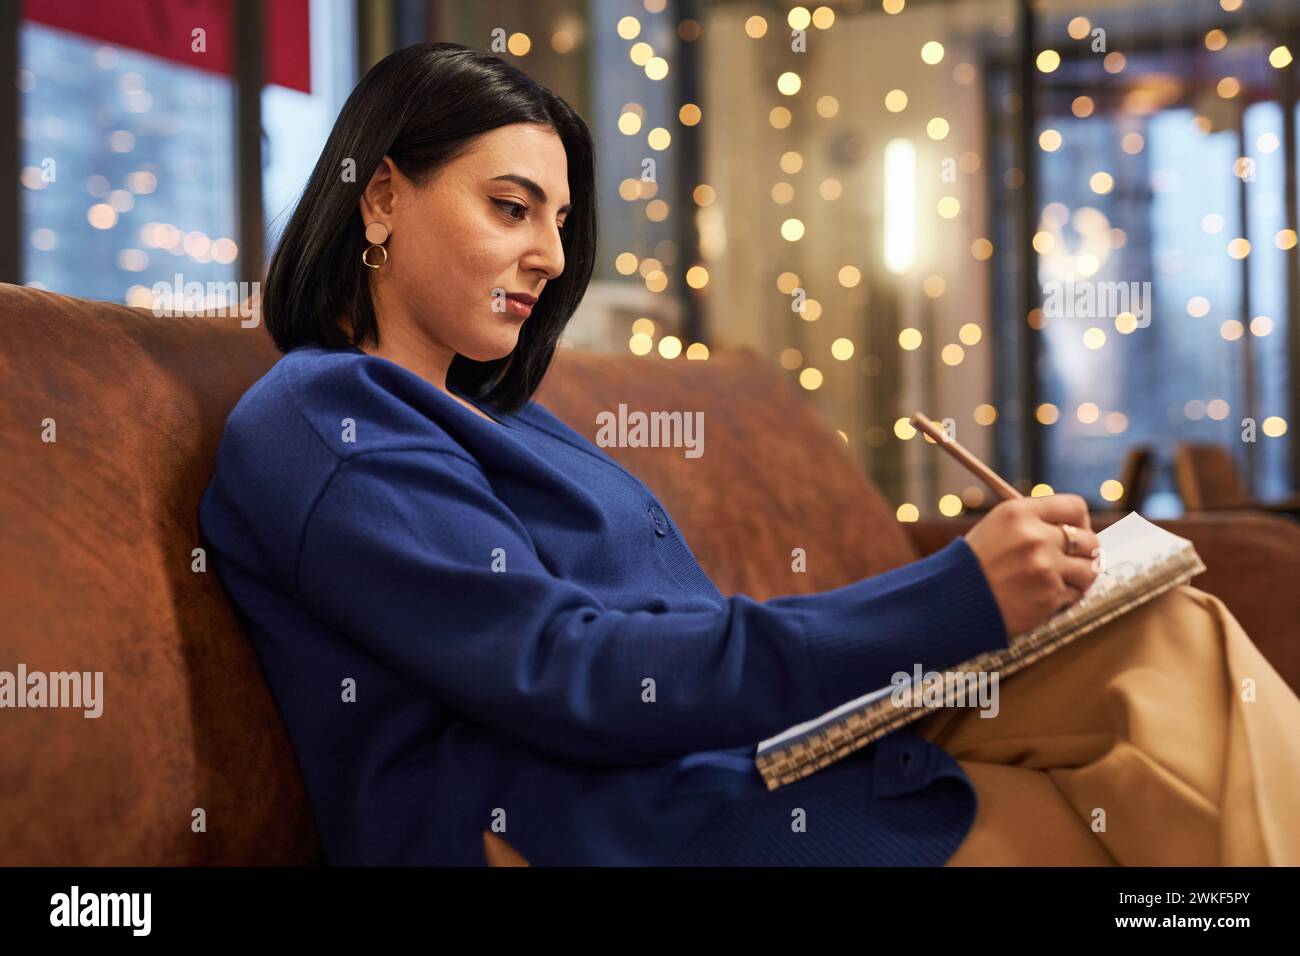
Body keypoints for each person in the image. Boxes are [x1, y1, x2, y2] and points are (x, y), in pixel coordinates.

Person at [198, 42, 1300, 867]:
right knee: (1128, 837)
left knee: (1158, 628)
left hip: (716, 757)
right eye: (509, 206)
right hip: (571, 819)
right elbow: (570, 670)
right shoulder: (327, 420)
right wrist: (952, 597)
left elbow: (659, 637)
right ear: (380, 193)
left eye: (561, 220)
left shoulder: (507, 419)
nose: (547, 254)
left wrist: (982, 591)